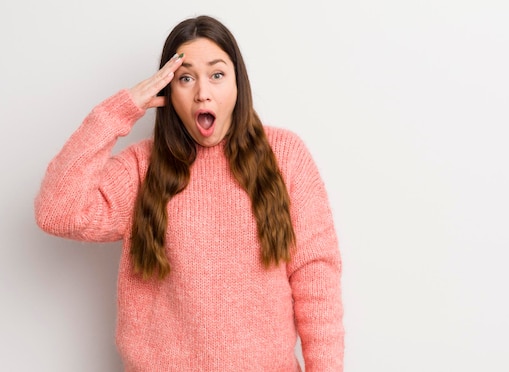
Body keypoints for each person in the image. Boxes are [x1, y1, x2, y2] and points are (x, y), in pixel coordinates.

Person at [35, 15, 343, 371]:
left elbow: (316, 277)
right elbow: (56, 211)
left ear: (237, 83)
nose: (203, 92)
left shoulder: (285, 156)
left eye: (217, 74)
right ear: (167, 91)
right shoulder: (141, 168)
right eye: (185, 78)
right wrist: (119, 110)